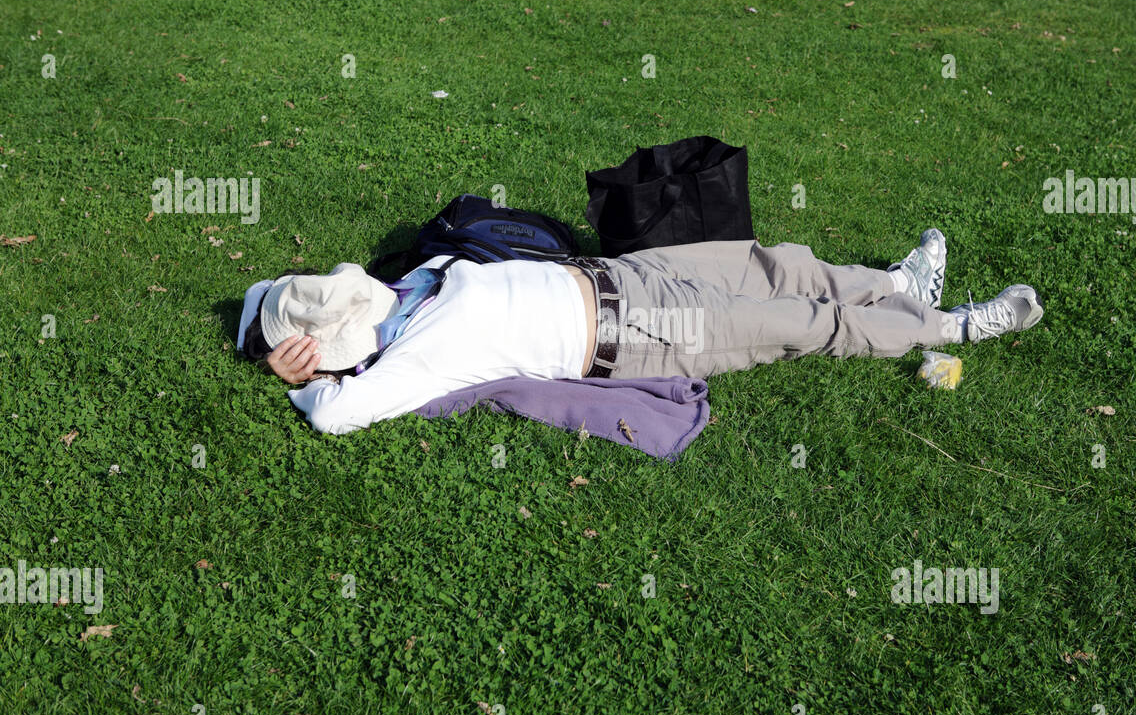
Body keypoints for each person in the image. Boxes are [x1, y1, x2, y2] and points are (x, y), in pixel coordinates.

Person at [237, 230, 1042, 435]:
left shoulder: (414, 280)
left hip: (623, 272)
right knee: (801, 323)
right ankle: (955, 325)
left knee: (778, 265)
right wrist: (301, 379)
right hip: (644, 331)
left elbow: (348, 287)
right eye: (312, 314)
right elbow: (340, 413)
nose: (332, 298)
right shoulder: (410, 358)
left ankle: (901, 283)